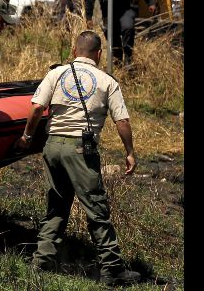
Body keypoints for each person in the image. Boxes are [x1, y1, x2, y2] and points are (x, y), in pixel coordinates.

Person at [16, 31, 141, 286]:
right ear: (98, 54)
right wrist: (129, 151)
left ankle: (42, 261)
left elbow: (37, 107)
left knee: (57, 203)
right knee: (96, 208)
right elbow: (123, 121)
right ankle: (112, 268)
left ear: (74, 51)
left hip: (53, 146)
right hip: (81, 150)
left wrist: (27, 137)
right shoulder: (107, 81)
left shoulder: (55, 74)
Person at [85, 0, 155, 66]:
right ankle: (119, 67)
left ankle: (128, 60)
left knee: (128, 28)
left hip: (125, 11)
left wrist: (150, 2)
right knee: (114, 44)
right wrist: (88, 17)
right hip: (108, 15)